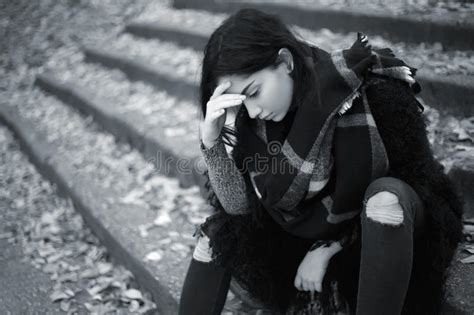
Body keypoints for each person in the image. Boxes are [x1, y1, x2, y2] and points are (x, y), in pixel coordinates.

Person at [179, 8, 464, 315]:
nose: (252, 109)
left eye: (254, 92)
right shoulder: (256, 127)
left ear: (285, 62)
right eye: (240, 101)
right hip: (299, 239)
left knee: (386, 196)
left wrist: (330, 247)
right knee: (216, 236)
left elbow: (421, 185)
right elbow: (239, 209)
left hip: (383, 237)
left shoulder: (370, 90)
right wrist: (211, 143)